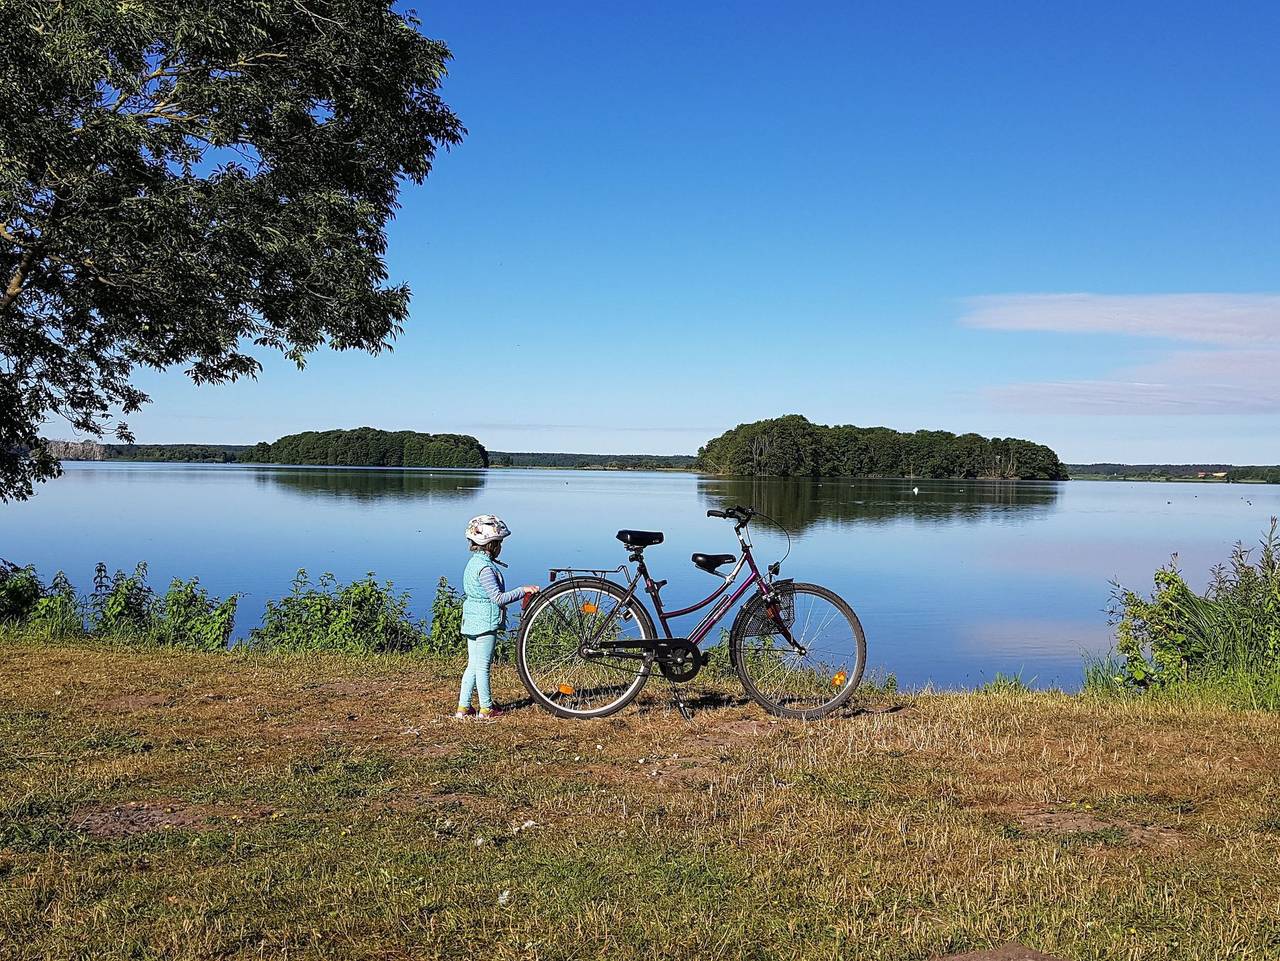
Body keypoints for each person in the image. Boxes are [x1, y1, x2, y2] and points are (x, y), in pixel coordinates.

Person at [455, 514, 538, 721]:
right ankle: (486, 708)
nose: (501, 547)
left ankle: (463, 707)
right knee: (483, 666)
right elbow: (498, 598)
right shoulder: (485, 569)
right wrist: (523, 590)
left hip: (471, 620)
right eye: (499, 543)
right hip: (485, 622)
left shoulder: (473, 564)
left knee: (472, 665)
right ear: (492, 545)